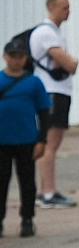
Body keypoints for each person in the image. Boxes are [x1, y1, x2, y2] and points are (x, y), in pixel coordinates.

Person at [28, 0, 77, 209]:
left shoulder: (54, 33)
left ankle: (48, 189)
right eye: (64, 7)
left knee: (52, 143)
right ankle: (47, 192)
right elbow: (70, 64)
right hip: (52, 92)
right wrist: (72, 61)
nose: (68, 11)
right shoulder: (47, 33)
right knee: (50, 142)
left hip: (57, 91)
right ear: (52, 8)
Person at [0, 36, 52, 237]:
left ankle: (27, 219)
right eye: (12, 56)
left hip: (26, 140)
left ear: (25, 59)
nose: (16, 60)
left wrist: (42, 140)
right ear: (5, 57)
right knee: (1, 182)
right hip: (2, 141)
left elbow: (44, 113)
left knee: (27, 182)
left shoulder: (34, 83)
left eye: (20, 56)